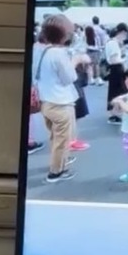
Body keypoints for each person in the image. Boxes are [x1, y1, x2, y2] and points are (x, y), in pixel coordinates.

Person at [32, 15, 79, 183]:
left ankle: (59, 162)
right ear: (65, 35)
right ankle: (56, 171)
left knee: (55, 137)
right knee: (62, 140)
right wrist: (76, 60)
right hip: (60, 103)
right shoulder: (59, 54)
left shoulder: (43, 50)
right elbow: (70, 78)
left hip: (46, 102)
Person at [104, 23, 128, 124]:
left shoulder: (112, 42)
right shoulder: (113, 43)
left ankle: (115, 113)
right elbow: (114, 60)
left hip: (115, 70)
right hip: (116, 69)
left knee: (115, 91)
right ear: (122, 32)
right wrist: (125, 58)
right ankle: (116, 114)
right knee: (119, 92)